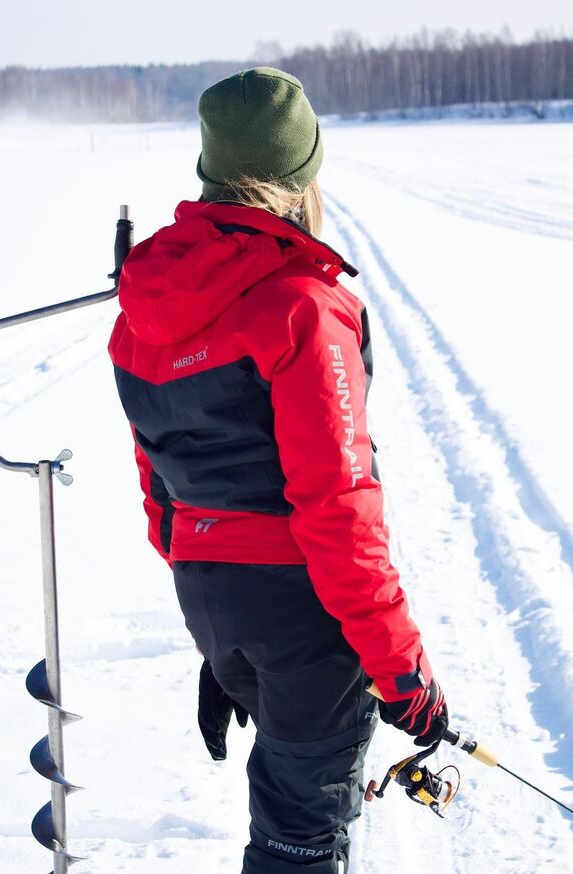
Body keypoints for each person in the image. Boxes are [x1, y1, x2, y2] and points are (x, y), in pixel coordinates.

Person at [108, 67, 448, 873]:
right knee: (300, 845)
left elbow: (161, 483)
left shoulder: (144, 306)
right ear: (299, 175)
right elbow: (338, 503)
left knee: (298, 822)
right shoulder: (302, 303)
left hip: (214, 598)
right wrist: (401, 668)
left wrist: (223, 628)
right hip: (301, 617)